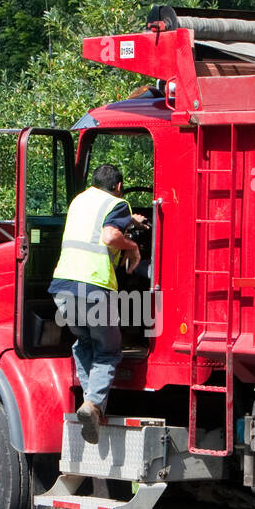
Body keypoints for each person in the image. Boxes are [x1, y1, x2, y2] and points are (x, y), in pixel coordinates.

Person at [49, 163, 148, 443]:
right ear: (118, 186)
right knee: (108, 349)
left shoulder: (80, 200)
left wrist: (131, 220)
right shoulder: (117, 203)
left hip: (63, 287)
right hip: (93, 288)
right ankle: (93, 405)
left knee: (83, 342)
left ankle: (88, 402)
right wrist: (133, 246)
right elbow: (108, 235)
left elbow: (99, 224)